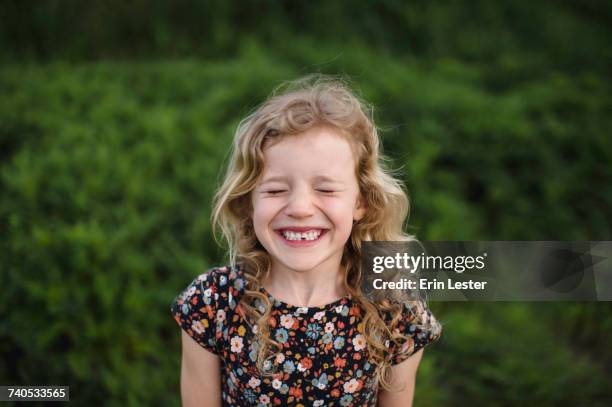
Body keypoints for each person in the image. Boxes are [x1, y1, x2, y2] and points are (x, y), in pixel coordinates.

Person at [170, 75, 442, 406]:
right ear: (247, 202)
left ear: (361, 202)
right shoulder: (213, 303)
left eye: (326, 189)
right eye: (275, 190)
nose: (299, 208)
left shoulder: (395, 308)